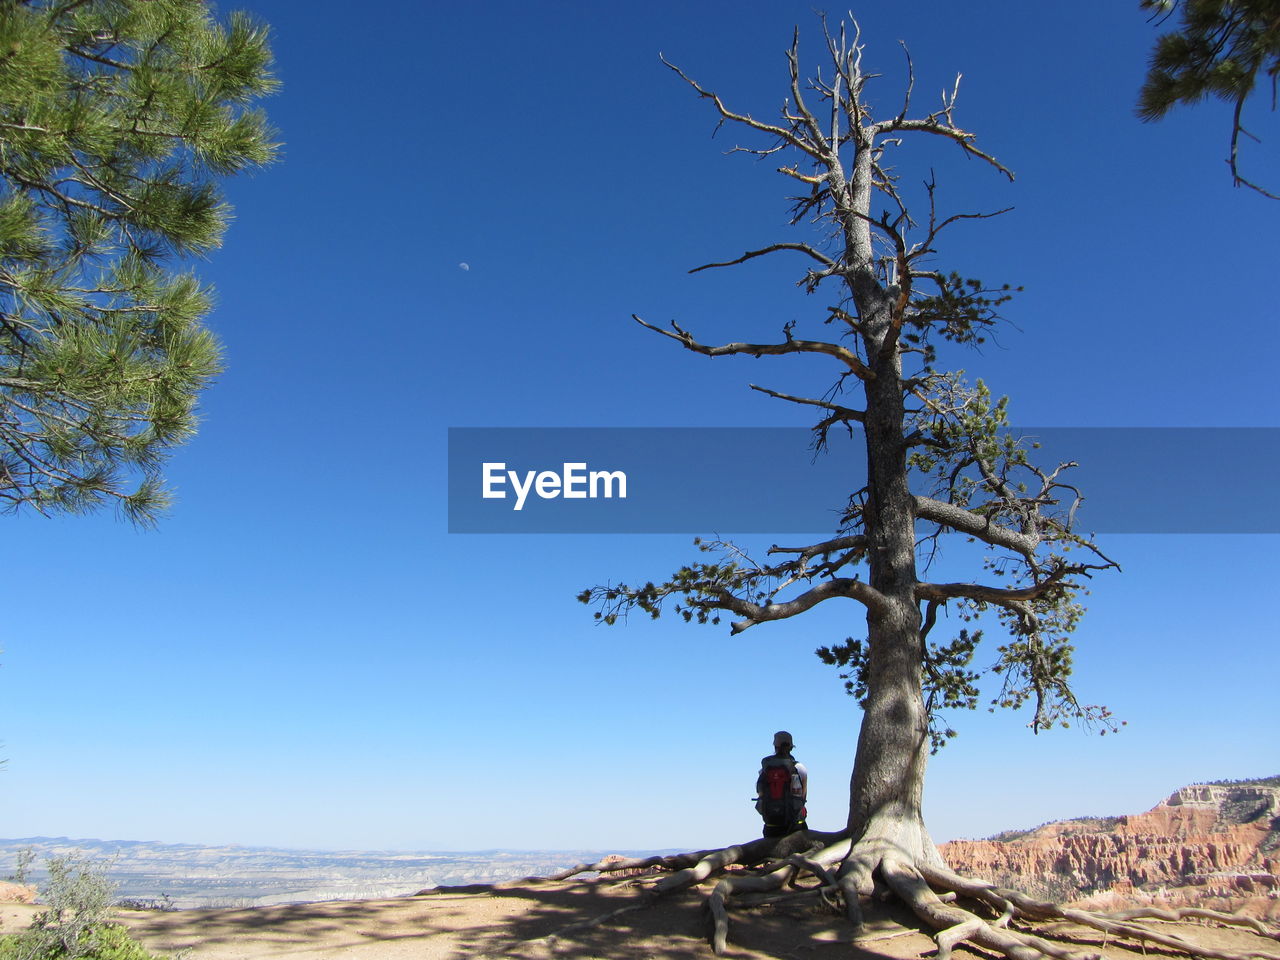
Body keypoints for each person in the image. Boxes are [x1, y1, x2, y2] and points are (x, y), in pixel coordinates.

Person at [754, 730, 808, 837]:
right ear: (791, 747)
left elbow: (760, 793)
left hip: (771, 825)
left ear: (775, 746)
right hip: (795, 824)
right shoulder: (800, 768)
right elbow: (803, 796)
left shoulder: (764, 769)